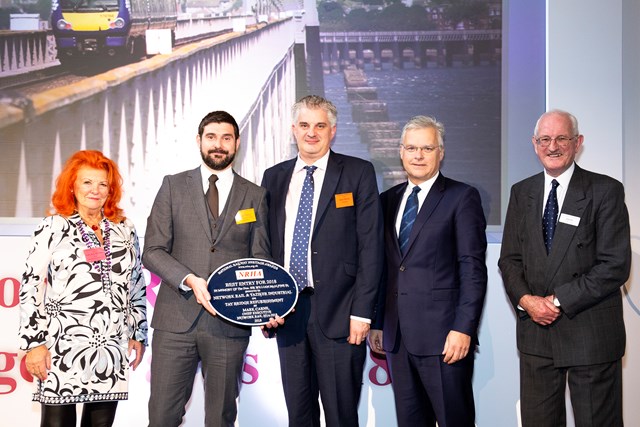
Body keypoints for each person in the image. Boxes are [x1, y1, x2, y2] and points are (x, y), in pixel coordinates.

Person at [498, 110, 631, 426]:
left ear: (577, 143)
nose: (552, 146)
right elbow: (510, 260)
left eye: (561, 138)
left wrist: (556, 302)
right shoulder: (522, 192)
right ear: (535, 144)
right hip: (536, 337)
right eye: (545, 139)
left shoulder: (605, 191)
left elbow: (614, 265)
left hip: (590, 336)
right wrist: (527, 301)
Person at [143, 110, 275, 427]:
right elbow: (152, 250)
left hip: (229, 325)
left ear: (237, 143)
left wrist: (268, 303)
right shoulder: (173, 186)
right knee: (162, 417)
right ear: (199, 141)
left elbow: (260, 260)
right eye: (212, 137)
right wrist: (188, 279)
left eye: (226, 138)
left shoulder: (255, 196)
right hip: (175, 323)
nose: (219, 144)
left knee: (220, 418)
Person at [261, 95, 383, 427]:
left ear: (333, 130)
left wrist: (362, 312)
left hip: (342, 315)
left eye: (320, 125)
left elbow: (371, 247)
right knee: (299, 416)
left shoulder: (358, 173)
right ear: (293, 130)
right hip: (288, 315)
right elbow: (266, 247)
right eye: (304, 125)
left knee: (342, 415)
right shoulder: (273, 178)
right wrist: (266, 303)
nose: (311, 133)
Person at [368, 115, 487, 427]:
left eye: (427, 148)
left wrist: (464, 328)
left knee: (453, 420)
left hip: (444, 338)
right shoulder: (387, 200)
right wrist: (378, 323)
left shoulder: (462, 197)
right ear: (401, 151)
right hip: (396, 338)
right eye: (411, 148)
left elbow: (472, 269)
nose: (418, 155)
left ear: (441, 152)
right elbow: (384, 269)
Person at [18, 150, 147, 427]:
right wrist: (34, 344)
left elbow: (136, 282)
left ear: (111, 190)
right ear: (72, 186)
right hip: (60, 346)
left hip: (110, 346)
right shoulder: (53, 226)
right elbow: (30, 285)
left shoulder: (125, 228)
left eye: (103, 184)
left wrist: (138, 332)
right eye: (87, 182)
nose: (95, 190)